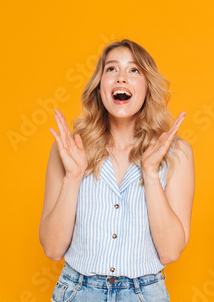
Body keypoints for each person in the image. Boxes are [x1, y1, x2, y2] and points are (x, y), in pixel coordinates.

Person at [39, 39, 195, 301]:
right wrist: (73, 177)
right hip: (77, 291)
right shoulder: (68, 150)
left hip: (145, 293)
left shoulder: (176, 153)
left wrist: (150, 173)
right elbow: (53, 249)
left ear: (147, 87)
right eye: (112, 69)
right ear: (100, 86)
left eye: (134, 70)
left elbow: (170, 252)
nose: (121, 78)